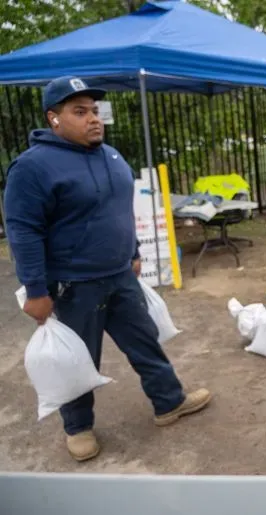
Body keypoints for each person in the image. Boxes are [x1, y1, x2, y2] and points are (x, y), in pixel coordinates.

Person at [3, 76, 211, 462]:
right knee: (77, 358)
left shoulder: (111, 156)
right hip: (73, 287)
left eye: (94, 111)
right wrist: (35, 290)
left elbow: (120, 211)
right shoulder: (32, 168)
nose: (93, 119)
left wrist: (132, 252)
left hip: (119, 275)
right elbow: (24, 231)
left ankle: (169, 401)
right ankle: (77, 427)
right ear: (54, 118)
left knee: (145, 341)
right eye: (79, 112)